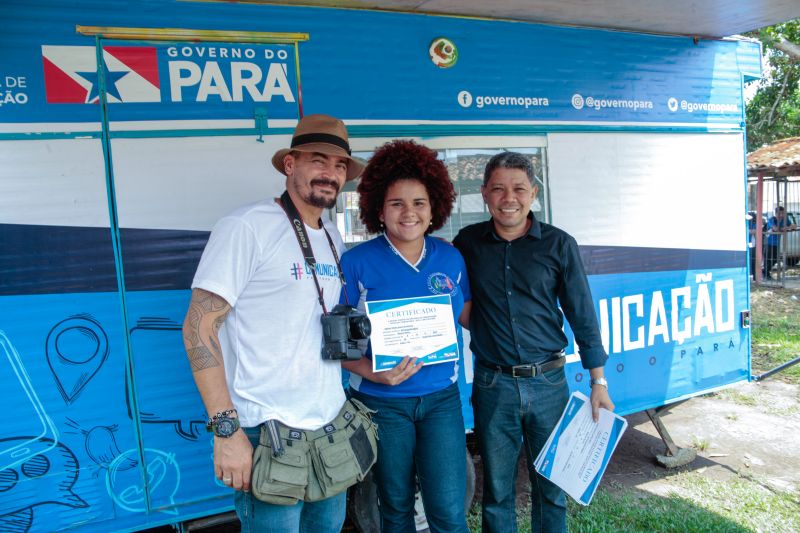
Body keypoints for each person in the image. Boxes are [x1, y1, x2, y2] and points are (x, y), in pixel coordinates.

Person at [182, 114, 364, 532]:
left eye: (339, 166)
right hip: (268, 431)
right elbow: (198, 327)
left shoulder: (333, 236)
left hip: (328, 423)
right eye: (319, 160)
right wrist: (226, 431)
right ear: (289, 165)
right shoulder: (246, 226)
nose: (330, 173)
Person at [453, 152, 614, 533]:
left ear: (533, 194)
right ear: (484, 195)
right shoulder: (467, 244)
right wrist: (477, 324)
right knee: (497, 491)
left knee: (552, 487)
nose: (509, 197)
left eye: (519, 189)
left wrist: (599, 381)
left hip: (549, 385)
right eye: (498, 189)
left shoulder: (559, 245)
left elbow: (583, 314)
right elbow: (450, 294)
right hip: (493, 386)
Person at [339, 140, 472, 533]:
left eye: (419, 202)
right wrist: (372, 372)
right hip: (382, 403)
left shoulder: (450, 258)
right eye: (396, 203)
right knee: (394, 510)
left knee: (448, 511)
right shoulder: (356, 262)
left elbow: (465, 314)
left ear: (434, 210)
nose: (408, 212)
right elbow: (335, 341)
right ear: (379, 210)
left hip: (441, 402)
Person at [763, 206, 797, 279]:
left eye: (783, 213)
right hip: (768, 243)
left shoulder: (785, 220)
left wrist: (786, 228)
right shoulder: (771, 220)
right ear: (776, 213)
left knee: (775, 259)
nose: (781, 215)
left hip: (777, 243)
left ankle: (765, 272)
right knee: (768, 259)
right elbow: (775, 229)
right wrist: (785, 228)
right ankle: (765, 273)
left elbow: (794, 226)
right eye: (780, 213)